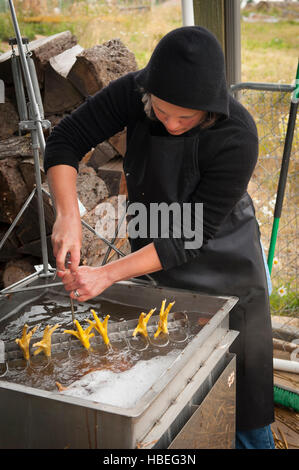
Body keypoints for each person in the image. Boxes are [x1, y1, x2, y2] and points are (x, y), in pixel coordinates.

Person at [44, 26, 275, 449]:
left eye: (185, 118)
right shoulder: (134, 92)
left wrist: (108, 274)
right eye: (161, 112)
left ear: (209, 110)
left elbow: (190, 237)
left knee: (243, 395)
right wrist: (67, 216)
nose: (170, 124)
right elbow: (65, 139)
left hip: (224, 259)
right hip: (154, 251)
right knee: (169, 387)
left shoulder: (238, 135)